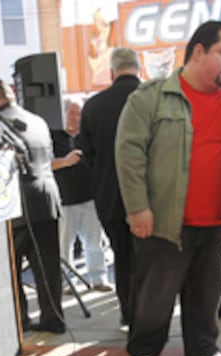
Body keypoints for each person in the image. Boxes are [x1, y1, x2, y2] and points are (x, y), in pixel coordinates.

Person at [116, 21, 221, 356]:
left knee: (207, 296)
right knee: (154, 296)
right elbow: (129, 155)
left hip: (217, 222)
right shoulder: (150, 97)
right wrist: (137, 207)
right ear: (198, 52)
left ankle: (202, 350)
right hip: (164, 220)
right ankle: (143, 351)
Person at [0, 78, 67, 334]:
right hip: (47, 199)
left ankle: (18, 321)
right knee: (47, 267)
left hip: (13, 205)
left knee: (9, 270)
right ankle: (54, 319)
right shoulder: (36, 120)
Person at [80, 47, 141, 330]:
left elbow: (86, 153)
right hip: (149, 197)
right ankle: (150, 316)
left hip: (109, 196)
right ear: (138, 68)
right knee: (150, 259)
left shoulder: (93, 105)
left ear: (112, 72)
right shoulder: (153, 98)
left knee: (122, 258)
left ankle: (128, 313)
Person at [50, 99, 111, 292]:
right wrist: (66, 162)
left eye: (79, 114)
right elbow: (45, 164)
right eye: (73, 113)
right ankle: (69, 282)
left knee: (95, 242)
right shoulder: (53, 137)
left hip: (90, 198)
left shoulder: (87, 137)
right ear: (64, 114)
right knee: (65, 245)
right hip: (65, 201)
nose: (77, 118)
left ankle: (99, 278)